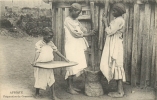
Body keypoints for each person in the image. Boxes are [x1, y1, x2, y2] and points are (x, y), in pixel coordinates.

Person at [64, 3, 96, 94]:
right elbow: (75, 34)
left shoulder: (75, 20)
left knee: (77, 64)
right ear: (73, 11)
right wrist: (88, 34)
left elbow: (82, 28)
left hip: (77, 45)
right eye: (78, 12)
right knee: (71, 66)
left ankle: (72, 86)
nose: (79, 14)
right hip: (71, 46)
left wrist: (89, 31)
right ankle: (69, 87)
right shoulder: (67, 20)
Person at [33, 27, 69, 100]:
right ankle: (37, 93)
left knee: (51, 79)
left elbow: (56, 51)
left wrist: (64, 58)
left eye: (51, 37)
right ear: (44, 35)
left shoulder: (51, 43)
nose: (50, 38)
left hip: (49, 64)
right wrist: (35, 61)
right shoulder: (39, 43)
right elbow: (37, 53)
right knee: (39, 79)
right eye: (49, 36)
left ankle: (53, 96)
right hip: (41, 65)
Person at [100, 3, 126, 98]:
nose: (112, 12)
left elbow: (110, 32)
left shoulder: (119, 20)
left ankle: (120, 92)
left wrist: (105, 22)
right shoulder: (118, 20)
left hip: (116, 44)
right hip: (115, 42)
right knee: (116, 65)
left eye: (114, 11)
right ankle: (119, 90)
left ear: (118, 12)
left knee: (117, 65)